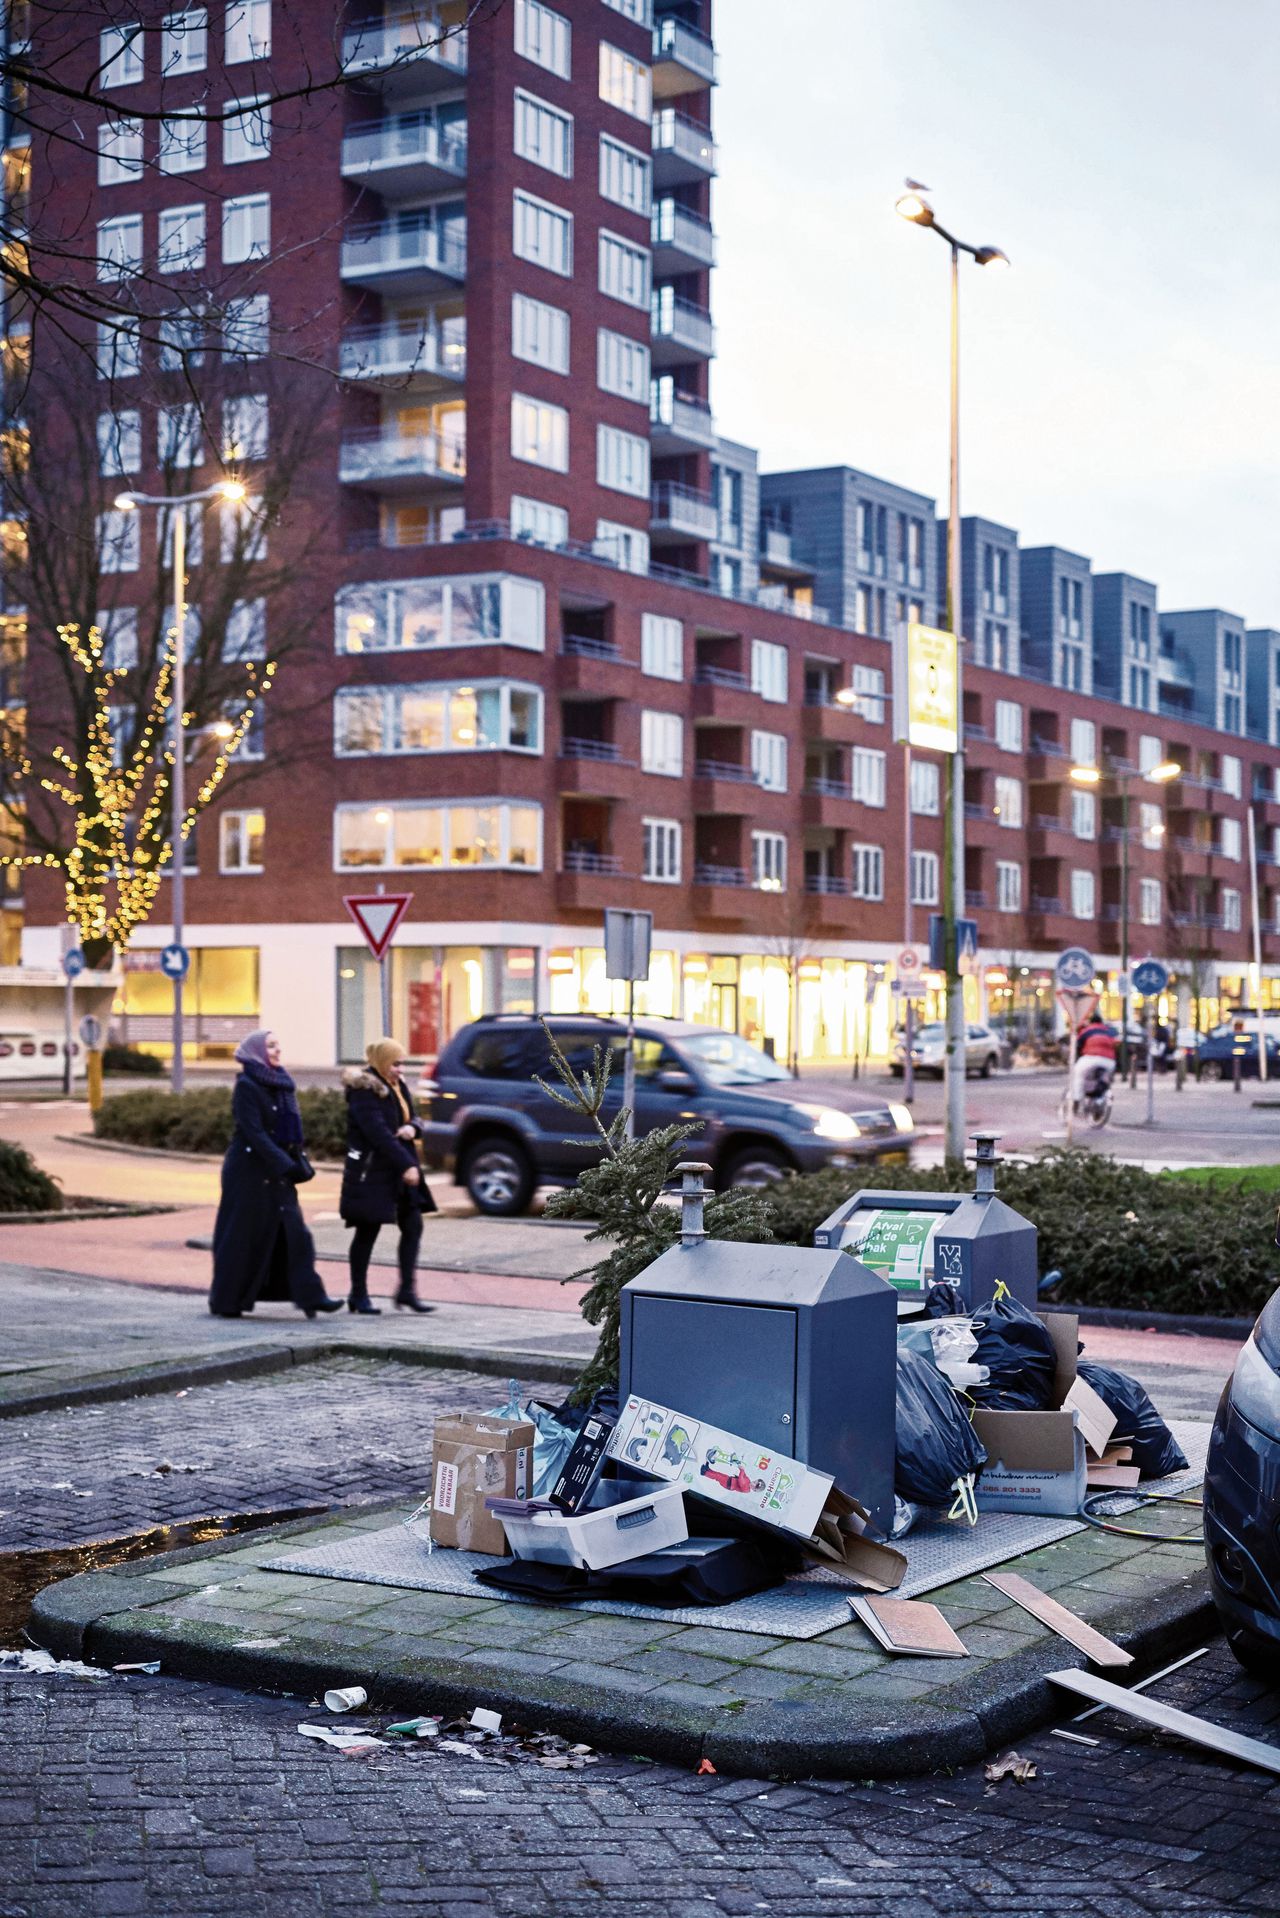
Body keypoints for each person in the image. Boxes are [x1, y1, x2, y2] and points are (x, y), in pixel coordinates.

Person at [209, 1030, 342, 1320]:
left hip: (277, 1171)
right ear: (255, 1051)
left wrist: (295, 1161)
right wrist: (285, 1163)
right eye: (270, 1046)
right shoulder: (247, 1086)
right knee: (242, 1237)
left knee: (296, 1234)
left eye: (277, 1045)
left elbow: (288, 1133)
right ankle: (227, 1300)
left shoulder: (281, 1084)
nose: (277, 1050)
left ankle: (312, 1296)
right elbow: (253, 1132)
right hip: (248, 1174)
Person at [340, 1037, 437, 1315]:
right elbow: (378, 1133)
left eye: (402, 1063)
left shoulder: (397, 1084)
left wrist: (413, 1129)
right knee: (367, 1230)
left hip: (397, 1168)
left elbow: (414, 1117)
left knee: (413, 1225)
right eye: (395, 1063)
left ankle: (407, 1291)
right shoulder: (364, 1090)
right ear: (382, 1062)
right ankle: (358, 1294)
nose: (400, 1069)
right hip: (373, 1171)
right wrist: (407, 1164)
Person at [1073, 1016, 1118, 1105]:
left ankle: (1076, 1099)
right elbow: (1115, 1044)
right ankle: (1101, 1098)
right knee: (1105, 1079)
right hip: (1109, 1061)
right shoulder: (1109, 1031)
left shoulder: (1087, 1031)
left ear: (1091, 1022)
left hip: (1090, 1058)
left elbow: (1078, 1045)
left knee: (1078, 1075)